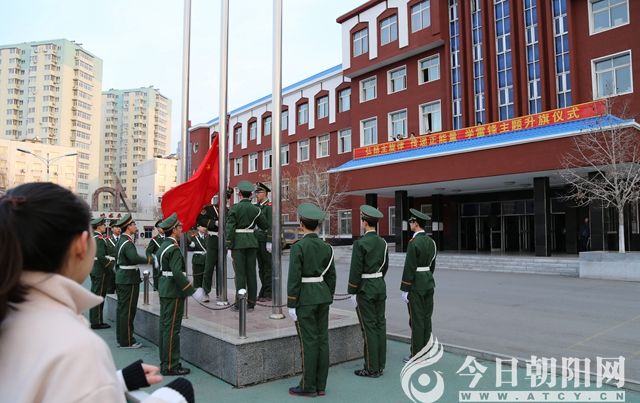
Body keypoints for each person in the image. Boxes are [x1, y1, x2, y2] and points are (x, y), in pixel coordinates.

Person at [0, 182, 194, 403]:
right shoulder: (79, 347)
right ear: (81, 245)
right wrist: (167, 399)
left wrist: (114, 381)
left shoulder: (12, 315)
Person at [287, 203, 336, 397]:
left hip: (305, 298)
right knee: (322, 340)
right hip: (322, 296)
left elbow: (294, 277)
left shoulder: (298, 247)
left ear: (301, 224)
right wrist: (328, 295)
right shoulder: (327, 247)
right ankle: (320, 385)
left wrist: (292, 303)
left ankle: (308, 386)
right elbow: (331, 276)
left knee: (309, 342)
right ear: (318, 225)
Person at [348, 205, 388, 377]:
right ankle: (380, 365)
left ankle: (372, 368)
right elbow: (385, 266)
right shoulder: (383, 243)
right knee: (380, 325)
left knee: (369, 327)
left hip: (365, 288)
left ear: (364, 222)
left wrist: (352, 290)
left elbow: (356, 269)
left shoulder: (360, 243)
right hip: (379, 285)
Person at [156, 213, 195, 376]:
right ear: (173, 230)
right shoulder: (173, 249)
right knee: (172, 329)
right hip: (173, 291)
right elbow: (177, 273)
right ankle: (171, 365)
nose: (181, 229)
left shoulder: (162, 246)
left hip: (165, 289)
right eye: (179, 227)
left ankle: (165, 362)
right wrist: (190, 290)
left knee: (165, 327)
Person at [400, 208, 437, 362]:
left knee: (416, 320)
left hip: (416, 284)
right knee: (427, 318)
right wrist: (426, 277)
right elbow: (432, 265)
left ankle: (416, 354)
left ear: (416, 223)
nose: (410, 223)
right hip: (428, 282)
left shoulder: (413, 243)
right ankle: (426, 352)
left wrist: (405, 288)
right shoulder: (431, 242)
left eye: (411, 221)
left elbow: (409, 267)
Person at [225, 180, 267, 311]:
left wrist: (228, 244)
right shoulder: (256, 209)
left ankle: (239, 302)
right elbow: (265, 225)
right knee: (251, 274)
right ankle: (251, 303)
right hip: (252, 243)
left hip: (238, 244)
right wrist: (254, 234)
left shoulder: (235, 208)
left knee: (240, 274)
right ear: (250, 194)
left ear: (240, 194)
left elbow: (230, 228)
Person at [115, 213, 150, 349]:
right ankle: (128, 341)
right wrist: (150, 260)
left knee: (122, 310)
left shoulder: (122, 240)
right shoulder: (128, 243)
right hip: (128, 279)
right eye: (134, 224)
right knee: (128, 311)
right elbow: (134, 258)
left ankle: (122, 338)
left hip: (123, 277)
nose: (135, 226)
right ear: (128, 227)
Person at [198, 187, 232, 300]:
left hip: (224, 239)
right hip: (213, 238)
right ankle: (205, 291)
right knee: (209, 267)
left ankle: (220, 292)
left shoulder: (229, 211)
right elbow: (201, 220)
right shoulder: (209, 209)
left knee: (221, 268)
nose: (225, 199)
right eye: (224, 197)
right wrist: (214, 223)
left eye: (227, 197)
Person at [89, 216, 111, 329]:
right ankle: (96, 322)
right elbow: (101, 256)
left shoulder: (92, 238)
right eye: (103, 225)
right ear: (98, 227)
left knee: (95, 294)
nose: (105, 226)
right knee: (99, 295)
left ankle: (95, 320)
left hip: (93, 268)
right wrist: (110, 265)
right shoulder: (99, 239)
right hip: (100, 270)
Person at [254, 182, 273, 302]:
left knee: (268, 268)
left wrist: (269, 240)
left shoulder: (269, 207)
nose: (256, 194)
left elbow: (271, 224)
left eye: (259, 192)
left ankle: (268, 293)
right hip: (257, 239)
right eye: (256, 192)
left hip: (265, 239)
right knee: (261, 268)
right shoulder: (257, 206)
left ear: (265, 193)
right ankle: (263, 291)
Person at [187, 224, 208, 297]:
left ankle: (205, 293)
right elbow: (191, 247)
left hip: (206, 259)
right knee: (197, 277)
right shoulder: (194, 237)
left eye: (204, 226)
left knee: (205, 277)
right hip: (197, 259)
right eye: (202, 226)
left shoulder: (208, 237)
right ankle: (197, 292)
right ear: (198, 228)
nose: (204, 228)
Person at [146, 219, 165, 290]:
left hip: (168, 263)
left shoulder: (169, 238)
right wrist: (152, 259)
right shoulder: (154, 240)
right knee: (157, 280)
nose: (163, 228)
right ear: (158, 228)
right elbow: (148, 252)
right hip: (158, 264)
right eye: (161, 227)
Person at [105, 219, 120, 294]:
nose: (118, 229)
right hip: (110, 269)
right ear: (112, 229)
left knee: (120, 291)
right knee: (110, 290)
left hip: (121, 269)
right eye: (116, 227)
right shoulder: (107, 240)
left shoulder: (124, 239)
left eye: (119, 227)